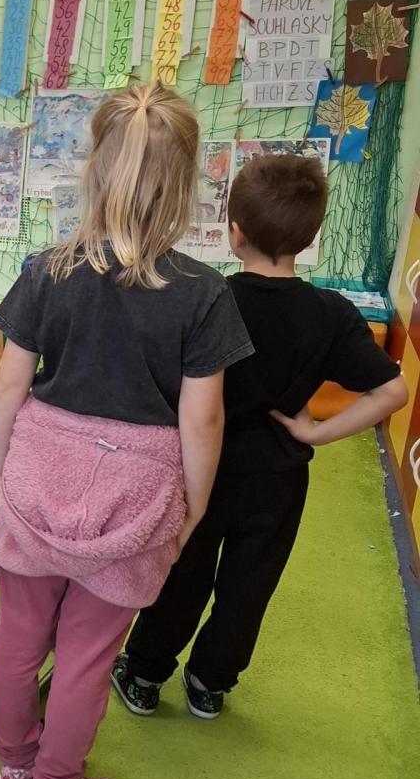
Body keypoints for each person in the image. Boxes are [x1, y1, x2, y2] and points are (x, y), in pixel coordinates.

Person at [0, 84, 253, 779]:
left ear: (92, 171)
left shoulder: (46, 269)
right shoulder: (204, 294)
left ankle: (16, 766)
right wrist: (193, 506)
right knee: (88, 656)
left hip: (39, 475)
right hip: (135, 495)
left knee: (17, 636)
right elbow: (203, 419)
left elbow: (8, 386)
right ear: (185, 184)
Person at [114, 153, 407, 718]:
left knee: (182, 573)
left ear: (235, 232)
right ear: (311, 236)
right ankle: (210, 684)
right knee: (249, 586)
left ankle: (145, 673)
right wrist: (316, 432)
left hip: (200, 470)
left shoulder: (208, 298)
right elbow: (392, 391)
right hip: (277, 479)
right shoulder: (330, 312)